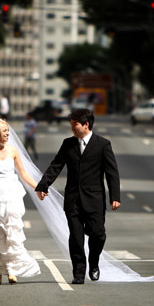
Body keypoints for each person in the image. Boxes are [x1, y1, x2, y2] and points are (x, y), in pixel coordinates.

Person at [35, 109, 120, 284]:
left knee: (98, 234)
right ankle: (79, 273)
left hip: (94, 199)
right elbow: (55, 166)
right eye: (71, 124)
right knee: (75, 237)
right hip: (73, 200)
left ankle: (94, 262)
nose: (72, 128)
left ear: (86, 124)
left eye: (75, 124)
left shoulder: (103, 144)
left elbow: (112, 173)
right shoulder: (68, 144)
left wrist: (115, 196)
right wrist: (43, 185)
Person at [0, 118, 41, 285]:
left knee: (11, 234)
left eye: (8, 132)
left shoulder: (13, 151)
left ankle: (12, 270)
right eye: (5, 132)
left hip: (11, 195)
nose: (7, 135)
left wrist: (38, 187)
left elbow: (24, 174)